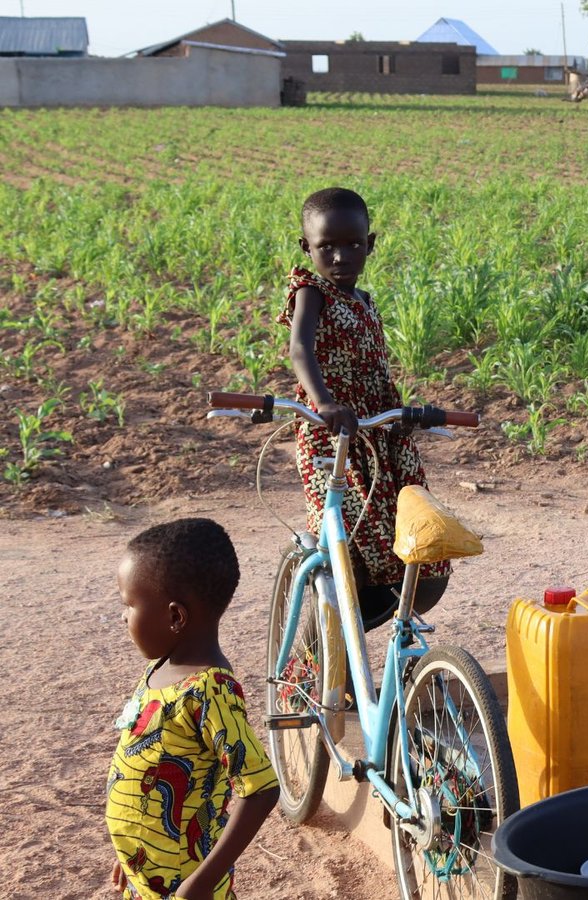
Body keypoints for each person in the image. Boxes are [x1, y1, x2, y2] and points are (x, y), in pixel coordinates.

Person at [279, 187, 448, 629]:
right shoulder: (311, 292)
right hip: (331, 430)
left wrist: (406, 413)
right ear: (306, 248)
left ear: (370, 244)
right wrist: (324, 403)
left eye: (353, 244)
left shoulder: (365, 301)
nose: (340, 256)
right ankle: (328, 655)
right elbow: (300, 350)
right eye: (326, 246)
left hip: (378, 430)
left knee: (408, 527)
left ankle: (373, 647)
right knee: (347, 538)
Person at [106, 518, 279, 898]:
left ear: (175, 617)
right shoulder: (160, 669)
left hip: (186, 886)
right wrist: (134, 852)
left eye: (129, 604)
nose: (123, 616)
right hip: (147, 876)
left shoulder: (209, 691)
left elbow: (261, 789)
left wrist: (200, 883)